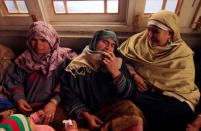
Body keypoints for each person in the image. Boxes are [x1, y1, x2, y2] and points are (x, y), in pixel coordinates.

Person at [118, 10, 200, 131]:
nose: (150, 35)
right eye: (148, 29)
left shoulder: (183, 54)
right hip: (147, 91)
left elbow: (184, 84)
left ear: (170, 34)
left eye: (156, 31)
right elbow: (122, 58)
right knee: (128, 93)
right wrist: (134, 74)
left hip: (174, 97)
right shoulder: (139, 41)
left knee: (181, 112)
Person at [60, 29, 145, 131]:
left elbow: (127, 94)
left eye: (112, 45)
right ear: (95, 42)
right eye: (105, 42)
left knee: (132, 111)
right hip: (84, 112)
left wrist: (114, 71)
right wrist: (86, 115)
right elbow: (68, 93)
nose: (108, 47)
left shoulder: (117, 62)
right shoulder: (76, 66)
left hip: (111, 109)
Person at [2, 21, 77, 125]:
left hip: (55, 106)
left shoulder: (64, 58)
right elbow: (13, 80)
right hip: (29, 107)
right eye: (33, 39)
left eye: (43, 40)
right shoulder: (23, 60)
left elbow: (68, 84)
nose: (38, 44)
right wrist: (19, 98)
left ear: (51, 40)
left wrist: (54, 102)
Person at [0, 109, 78, 131]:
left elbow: (27, 121)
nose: (28, 119)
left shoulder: (27, 125)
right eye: (28, 121)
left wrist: (36, 116)